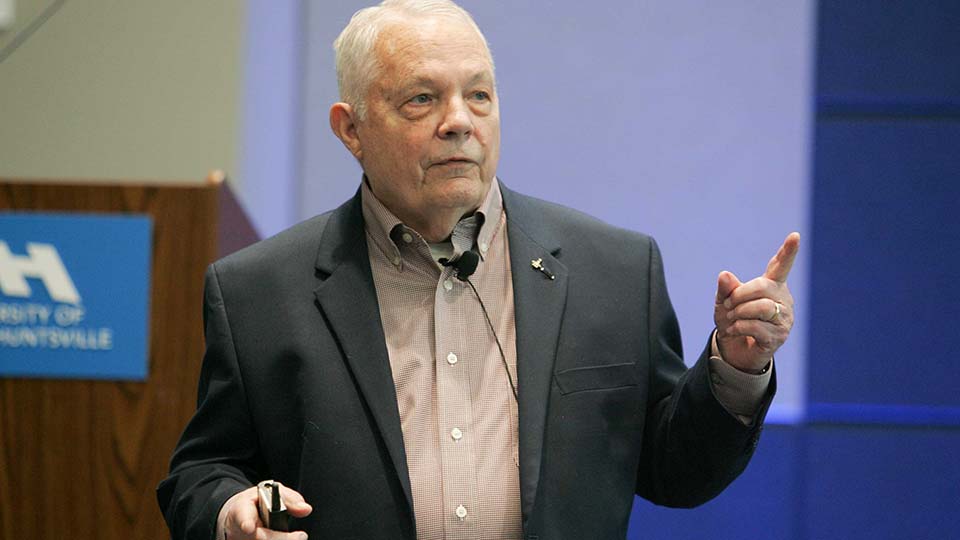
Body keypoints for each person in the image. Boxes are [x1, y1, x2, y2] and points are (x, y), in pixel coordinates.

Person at [157, 1, 799, 539]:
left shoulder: (616, 271)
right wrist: (228, 512)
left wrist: (736, 369)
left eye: (479, 96)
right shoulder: (259, 292)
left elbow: (674, 470)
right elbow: (202, 471)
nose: (459, 122)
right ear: (351, 129)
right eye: (421, 100)